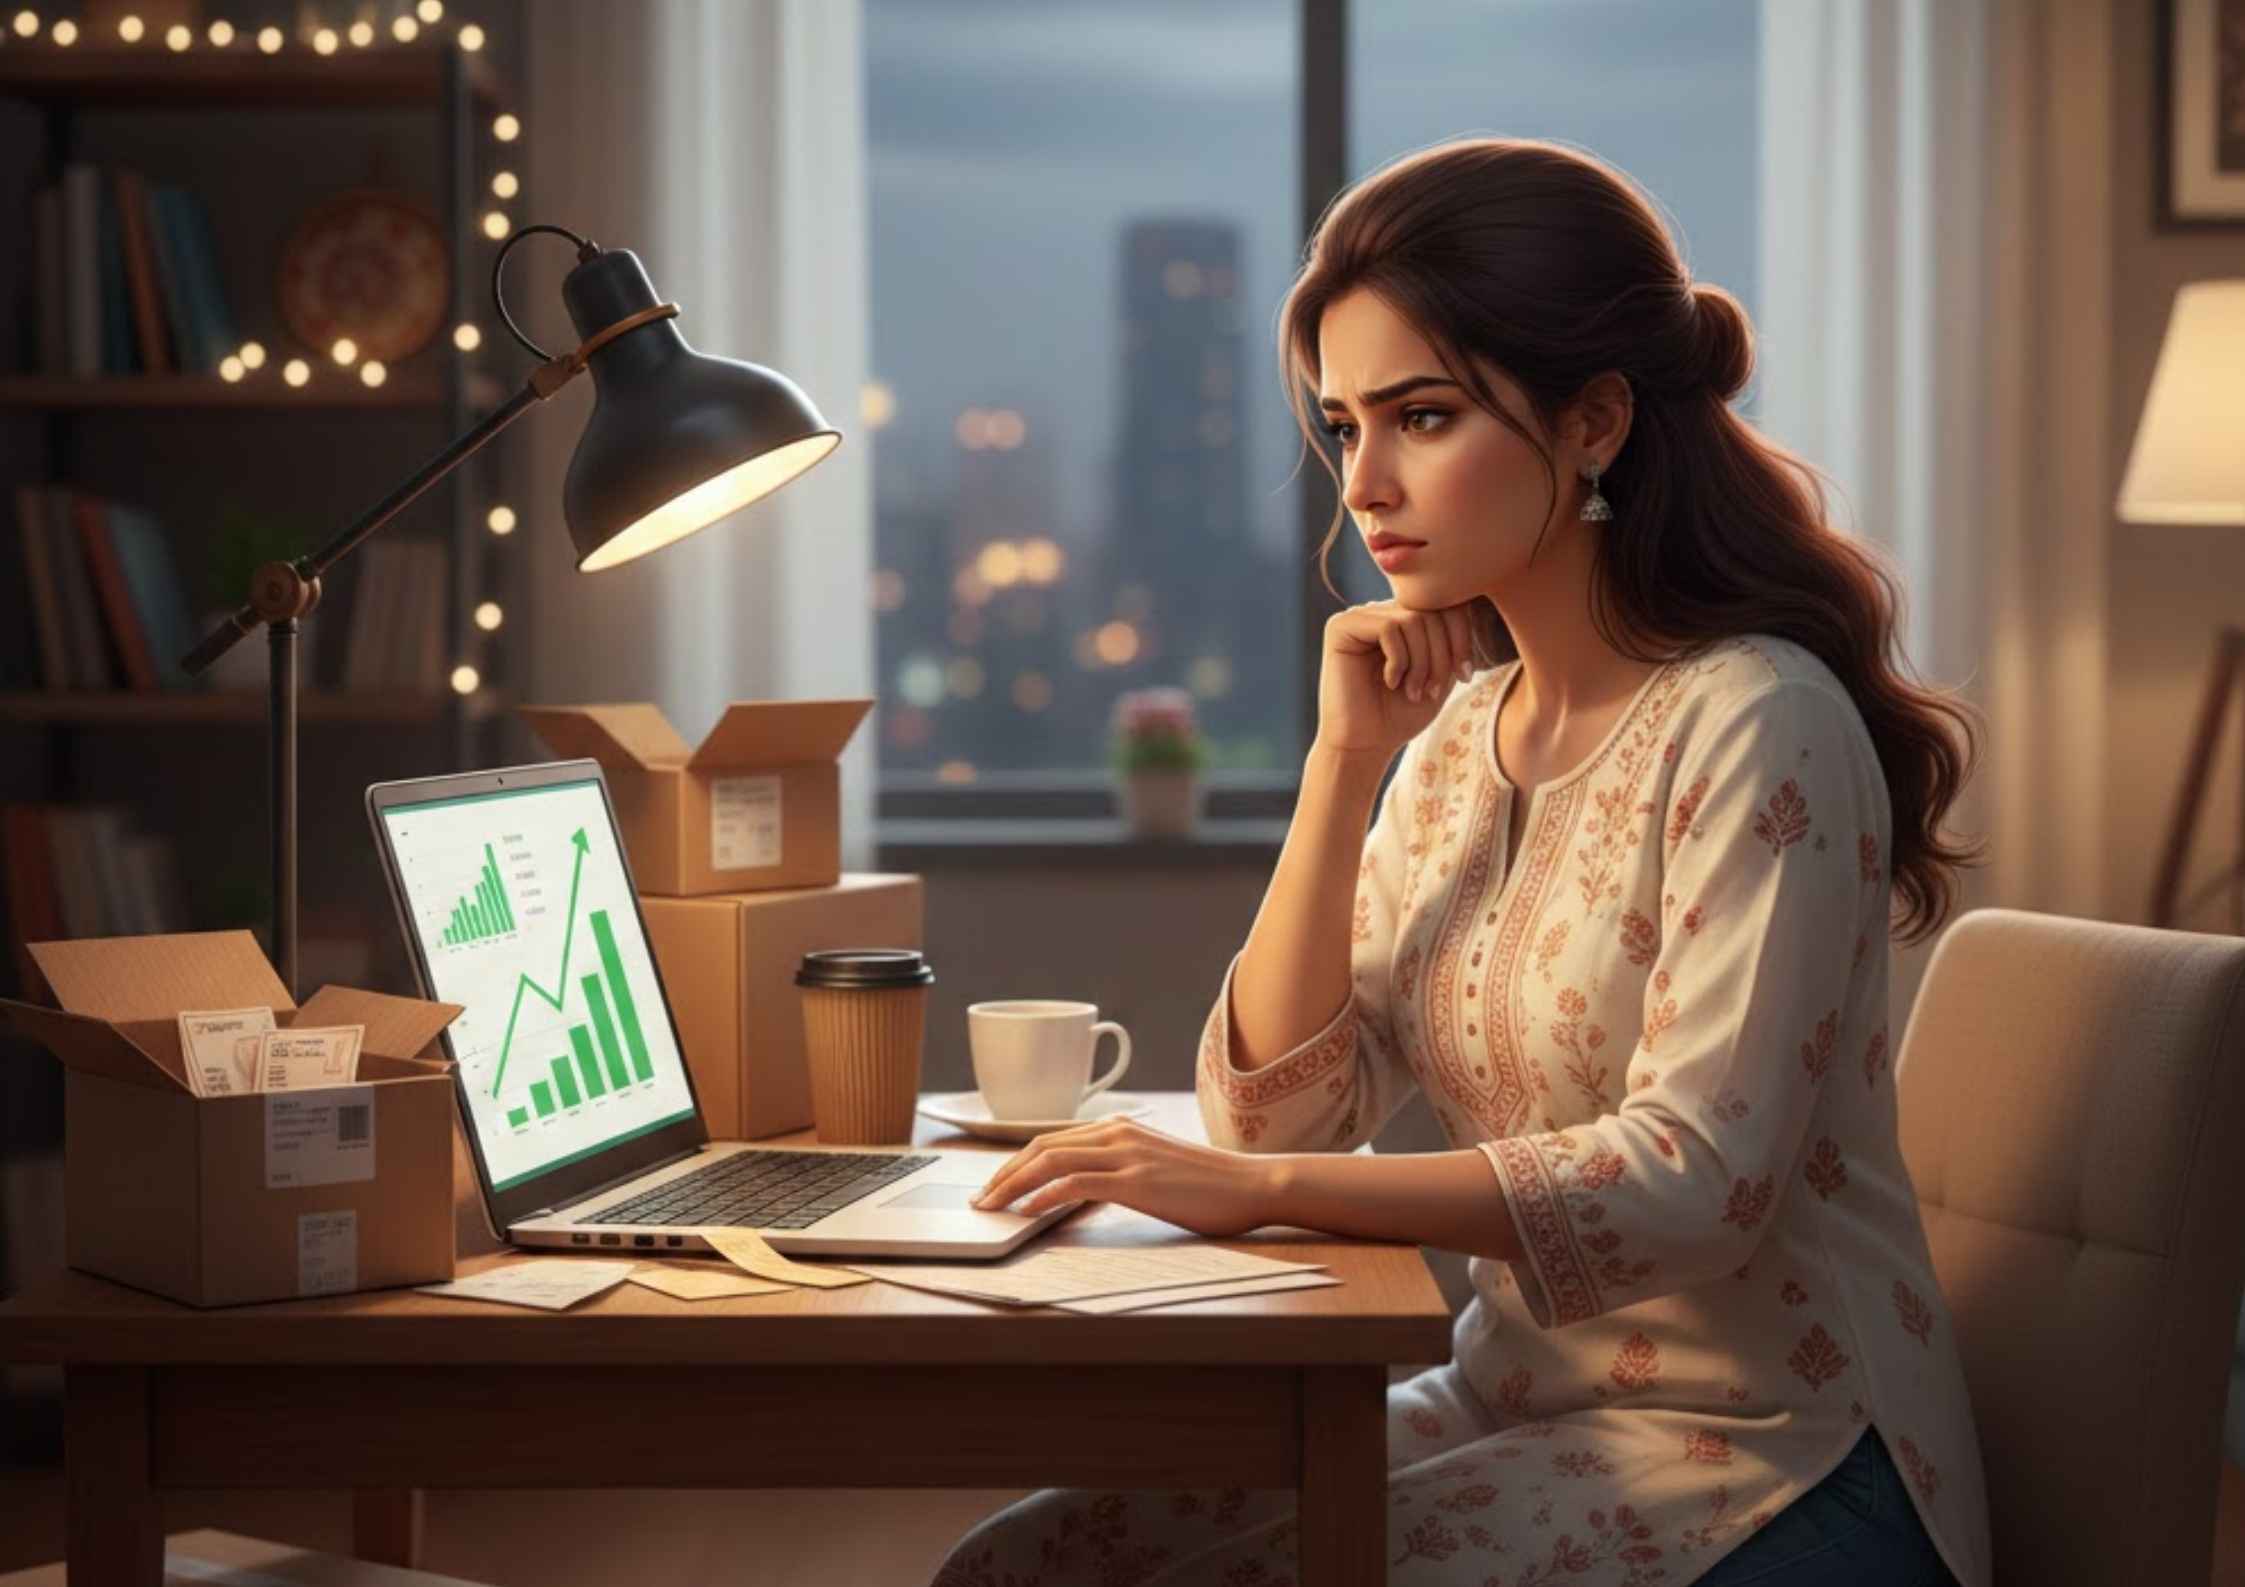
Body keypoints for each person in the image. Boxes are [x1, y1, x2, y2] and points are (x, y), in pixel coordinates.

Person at [929, 135, 1991, 1587]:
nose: (1363, 482)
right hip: (1512, 1406)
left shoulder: (1758, 717)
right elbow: (1282, 1125)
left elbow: (1692, 1181)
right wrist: (1342, 767)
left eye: (1419, 416)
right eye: (1342, 424)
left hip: (1777, 1456)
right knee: (1025, 1562)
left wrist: (1263, 1198)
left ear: (1595, 420)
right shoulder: (1453, 735)